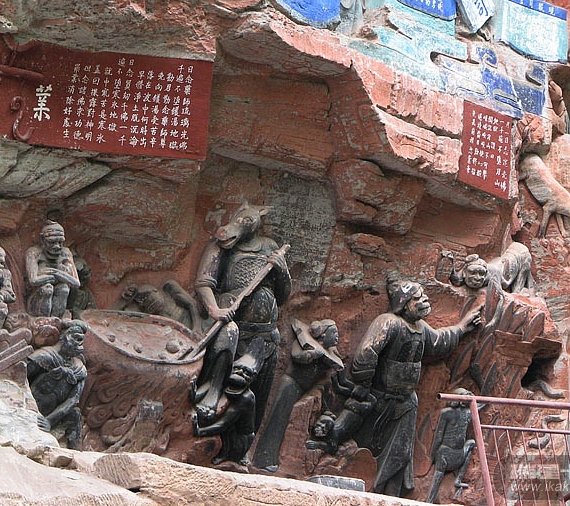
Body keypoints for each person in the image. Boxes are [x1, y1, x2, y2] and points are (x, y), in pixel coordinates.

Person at [307, 272, 481, 496]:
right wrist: (364, 383)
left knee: (400, 454)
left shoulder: (420, 328)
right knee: (363, 443)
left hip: (406, 403)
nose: (424, 300)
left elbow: (439, 341)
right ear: (404, 303)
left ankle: (389, 494)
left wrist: (462, 327)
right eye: (417, 298)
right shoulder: (389, 322)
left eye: (423, 296)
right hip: (378, 398)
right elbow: (366, 353)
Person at [191, 202, 291, 440]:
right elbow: (204, 283)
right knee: (227, 365)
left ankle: (245, 444)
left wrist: (282, 270)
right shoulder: (221, 247)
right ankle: (212, 397)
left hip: (265, 335)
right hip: (232, 323)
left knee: (257, 395)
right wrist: (215, 310)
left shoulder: (270, 246)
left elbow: (282, 296)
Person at [253, 319, 343, 471]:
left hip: (306, 390)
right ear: (323, 334)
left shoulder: (331, 352)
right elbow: (297, 356)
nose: (336, 337)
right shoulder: (304, 343)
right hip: (290, 385)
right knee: (278, 420)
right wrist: (312, 354)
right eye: (333, 333)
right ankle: (264, 459)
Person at [27, 320, 88, 449]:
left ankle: (75, 452)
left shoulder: (79, 369)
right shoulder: (45, 356)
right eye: (75, 338)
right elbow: (22, 377)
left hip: (53, 413)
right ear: (63, 337)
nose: (79, 345)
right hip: (33, 405)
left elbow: (73, 400)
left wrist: (50, 420)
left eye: (81, 340)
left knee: (75, 414)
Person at [26, 221, 80, 318]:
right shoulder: (34, 252)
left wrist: (53, 272)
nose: (57, 246)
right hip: (38, 300)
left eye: (60, 242)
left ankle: (56, 318)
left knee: (63, 288)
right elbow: (33, 280)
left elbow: (76, 283)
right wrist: (61, 275)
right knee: (47, 289)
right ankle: (43, 318)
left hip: (58, 298)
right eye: (52, 242)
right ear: (43, 240)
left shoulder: (65, 253)